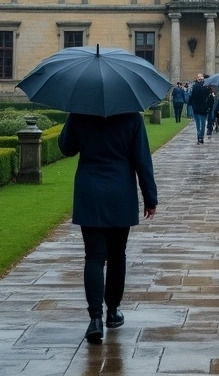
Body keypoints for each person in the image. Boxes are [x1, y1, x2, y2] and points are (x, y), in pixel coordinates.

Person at [59, 112, 157, 345]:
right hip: (120, 190)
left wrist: (70, 120)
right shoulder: (132, 116)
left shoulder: (80, 113)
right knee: (117, 256)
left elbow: (66, 148)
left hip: (90, 190)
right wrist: (150, 197)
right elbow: (142, 159)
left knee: (93, 257)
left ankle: (95, 319)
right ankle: (112, 311)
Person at [188, 74, 212, 144]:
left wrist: (190, 103)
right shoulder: (205, 87)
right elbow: (208, 97)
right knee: (202, 124)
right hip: (203, 108)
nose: (201, 81)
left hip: (196, 108)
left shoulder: (195, 87)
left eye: (202, 79)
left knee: (198, 124)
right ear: (198, 79)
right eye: (200, 79)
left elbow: (191, 96)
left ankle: (199, 136)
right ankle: (200, 136)